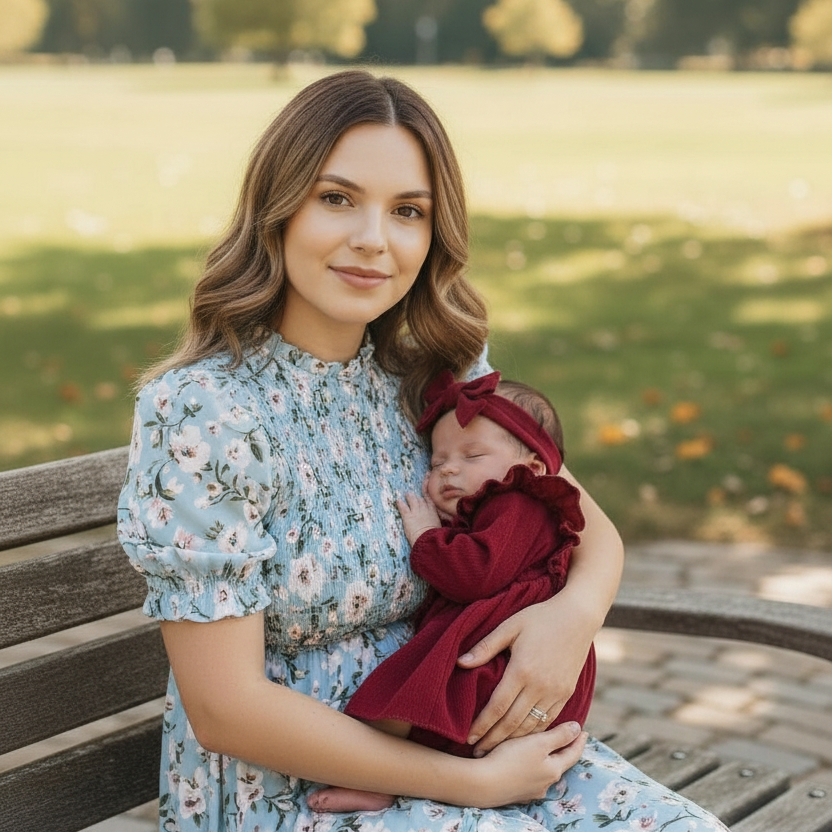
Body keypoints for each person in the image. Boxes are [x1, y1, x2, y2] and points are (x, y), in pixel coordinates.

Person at [117, 69, 730, 831]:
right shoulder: (205, 412)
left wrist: (569, 619)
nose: (373, 240)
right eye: (336, 198)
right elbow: (225, 710)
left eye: (408, 211)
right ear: (277, 207)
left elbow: (585, 524)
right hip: (292, 789)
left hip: (464, 737)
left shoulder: (439, 378)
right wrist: (472, 787)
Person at [314, 370, 594, 812]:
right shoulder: (502, 507)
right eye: (436, 461)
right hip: (501, 661)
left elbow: (474, 574)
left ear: (533, 468)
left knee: (399, 702)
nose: (448, 467)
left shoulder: (517, 503)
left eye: (473, 454)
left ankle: (377, 780)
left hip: (499, 663)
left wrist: (427, 537)